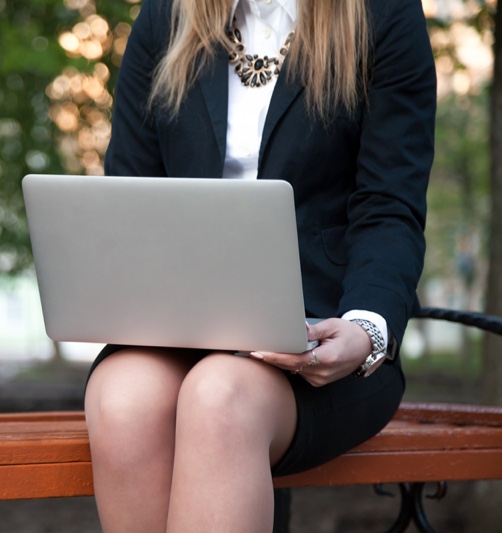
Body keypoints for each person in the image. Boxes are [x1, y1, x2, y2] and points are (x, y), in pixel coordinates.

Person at [83, 0, 436, 531]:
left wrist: (366, 330)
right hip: (180, 326)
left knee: (219, 398)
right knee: (121, 399)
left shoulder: (383, 15)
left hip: (322, 332)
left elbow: (389, 207)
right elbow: (131, 195)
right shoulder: (165, 17)